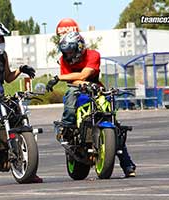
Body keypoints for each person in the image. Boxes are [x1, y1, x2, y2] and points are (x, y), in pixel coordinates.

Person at [46, 31, 136, 178]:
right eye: (65, 52)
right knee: (70, 97)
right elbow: (72, 81)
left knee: (114, 125)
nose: (67, 55)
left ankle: (128, 165)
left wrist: (59, 77)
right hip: (77, 89)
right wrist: (82, 83)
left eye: (70, 52)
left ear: (79, 47)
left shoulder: (93, 55)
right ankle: (67, 128)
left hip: (97, 88)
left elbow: (84, 74)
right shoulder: (63, 60)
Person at [0, 17, 43, 183]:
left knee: (18, 114)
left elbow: (8, 78)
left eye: (1, 38)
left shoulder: (3, 56)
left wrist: (21, 70)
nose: (0, 41)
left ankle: (28, 168)